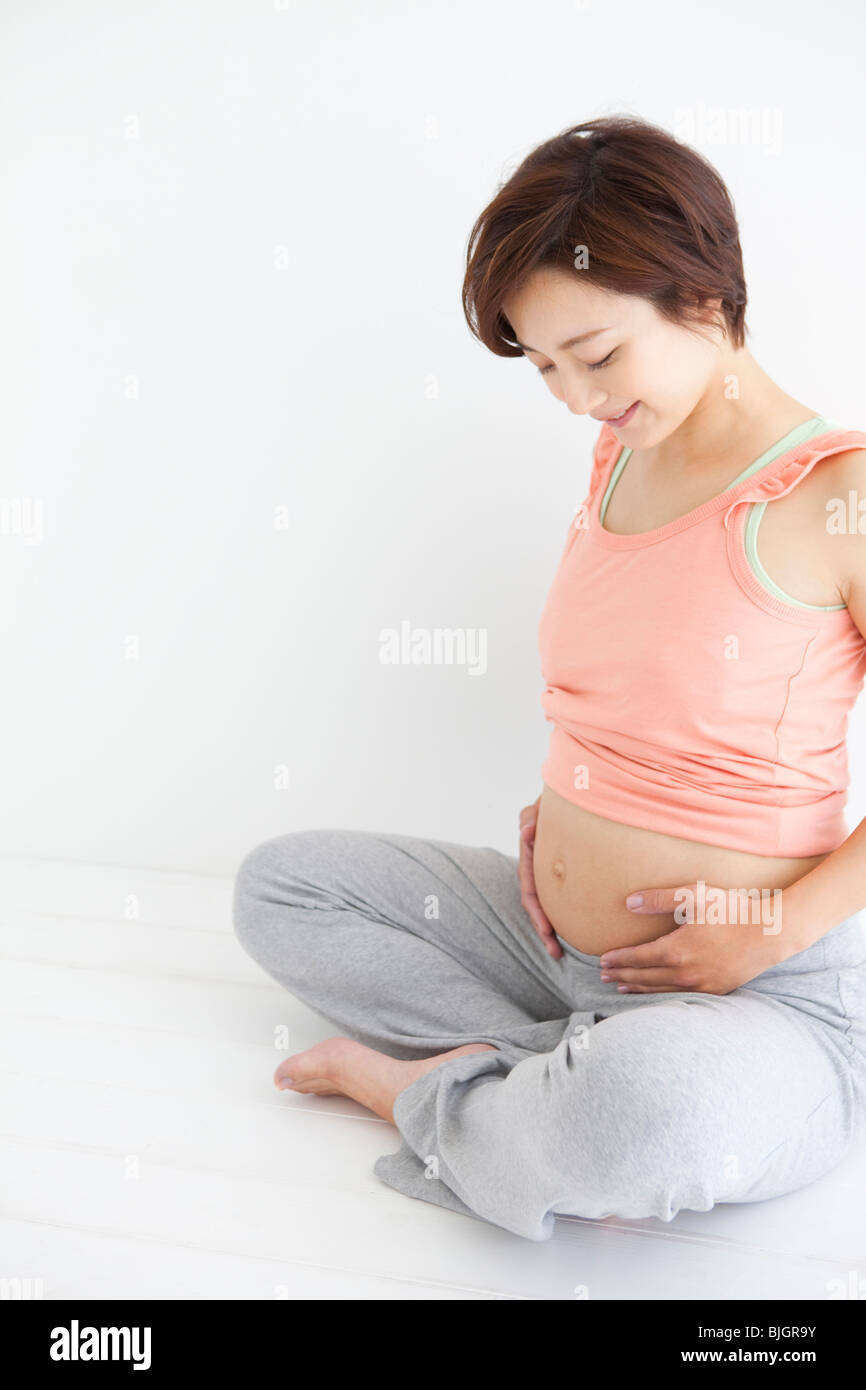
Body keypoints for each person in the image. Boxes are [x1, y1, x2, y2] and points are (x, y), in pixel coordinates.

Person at [232, 115, 866, 1242]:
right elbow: (626, 688)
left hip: (754, 996)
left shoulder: (835, 497)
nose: (575, 397)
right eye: (543, 367)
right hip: (557, 951)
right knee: (283, 891)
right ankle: (546, 1085)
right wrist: (573, 806)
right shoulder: (617, 454)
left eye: (597, 354)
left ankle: (432, 1096)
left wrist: (764, 928)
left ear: (707, 300)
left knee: (655, 1109)